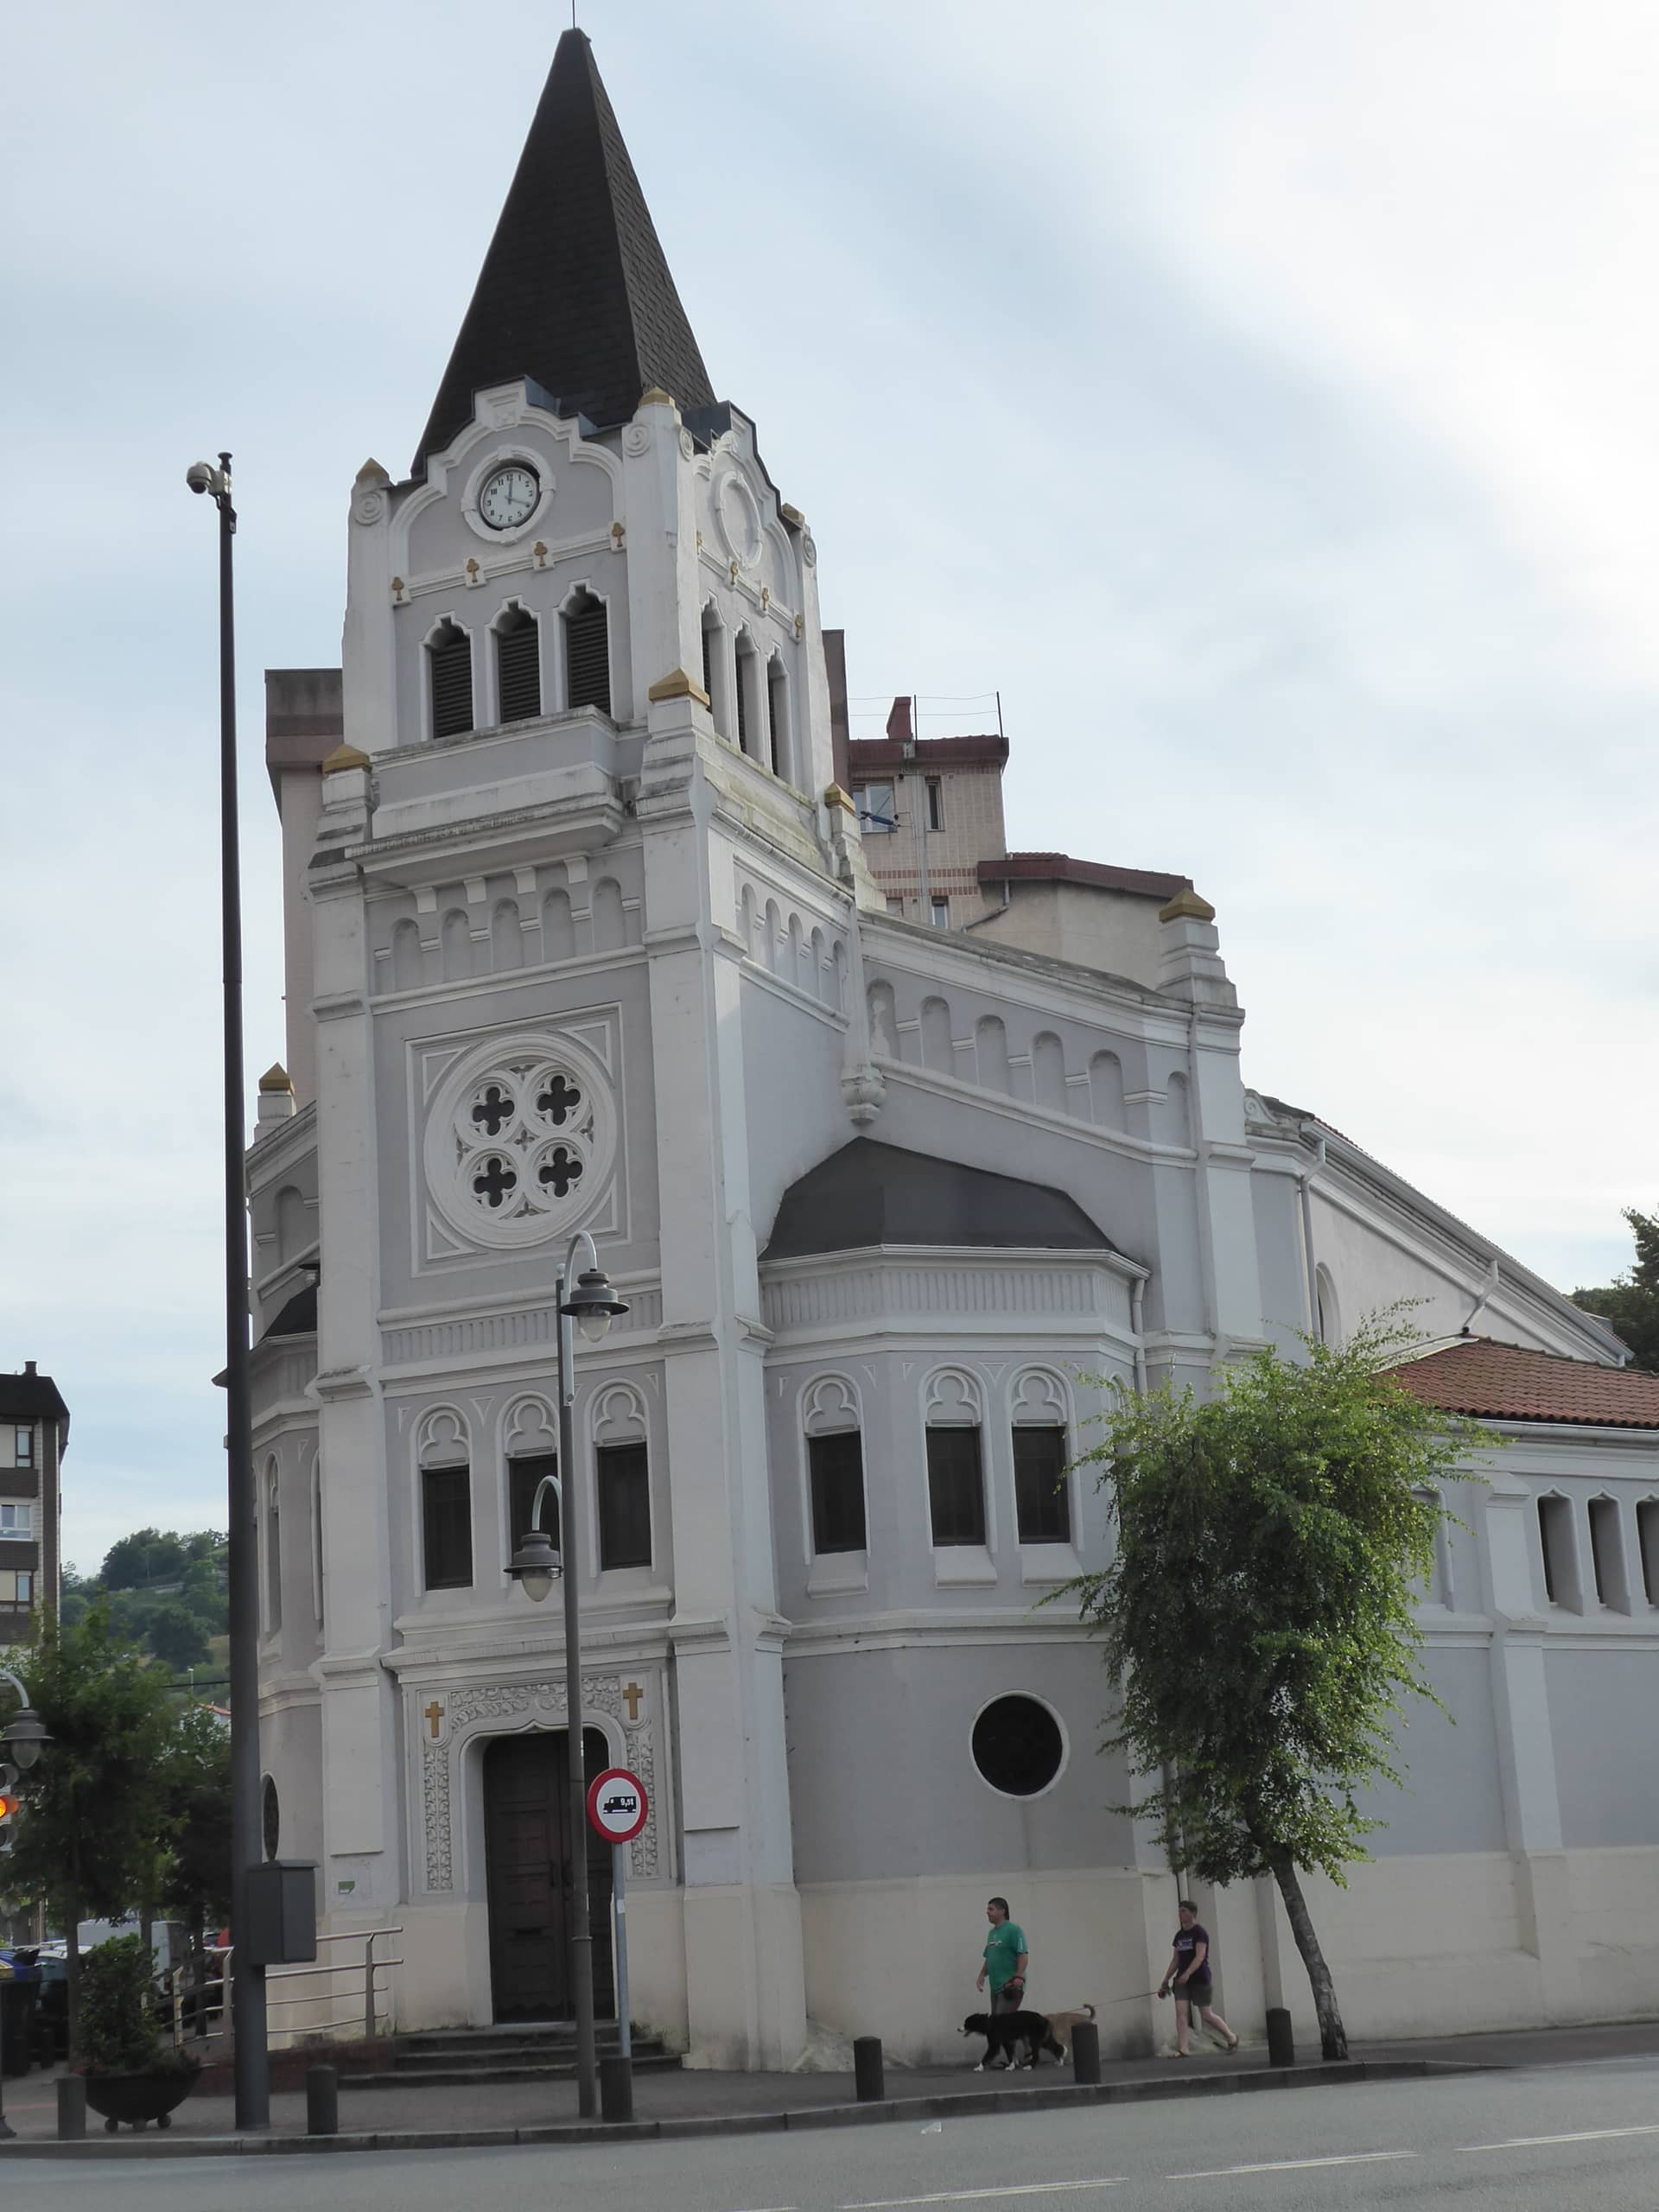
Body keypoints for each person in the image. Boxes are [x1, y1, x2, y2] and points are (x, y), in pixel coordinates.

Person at [1158, 1898, 1238, 2056]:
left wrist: (1188, 1973)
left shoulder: (1200, 1933)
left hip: (1200, 1978)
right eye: (1179, 1911)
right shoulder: (1179, 1935)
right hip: (1181, 1980)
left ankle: (1231, 2037)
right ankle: (1183, 2048)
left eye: (1184, 1911)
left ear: (1192, 1914)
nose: (1180, 1914)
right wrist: (1166, 1979)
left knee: (1206, 2014)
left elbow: (1200, 1956)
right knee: (1181, 2013)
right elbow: (1176, 1959)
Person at [976, 1896, 1029, 2018]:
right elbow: (990, 1957)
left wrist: (1018, 1976)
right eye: (987, 1909)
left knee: (1002, 2024)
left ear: (1002, 1911)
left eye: (991, 1909)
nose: (987, 1912)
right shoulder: (992, 1933)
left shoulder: (1014, 1930)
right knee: (997, 2024)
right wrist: (982, 1974)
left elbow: (1023, 1955)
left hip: (1010, 1986)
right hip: (995, 1987)